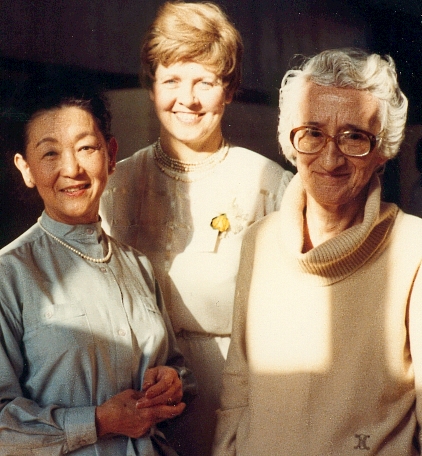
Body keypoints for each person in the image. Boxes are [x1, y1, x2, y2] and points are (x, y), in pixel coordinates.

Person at [99, 2, 293, 455]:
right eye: (171, 80)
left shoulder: (271, 185)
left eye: (205, 81)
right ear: (150, 88)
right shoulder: (113, 184)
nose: (187, 99)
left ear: (229, 90)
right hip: (134, 397)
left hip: (237, 397)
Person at [213, 48, 422, 455]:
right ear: (291, 141)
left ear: (383, 149)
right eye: (312, 132)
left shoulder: (414, 249)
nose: (330, 158)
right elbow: (237, 387)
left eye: (354, 136)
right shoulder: (259, 240)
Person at [0, 81, 196, 455]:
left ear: (111, 154)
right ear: (26, 169)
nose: (71, 168)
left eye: (86, 148)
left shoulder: (138, 266)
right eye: (50, 154)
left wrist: (171, 383)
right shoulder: (8, 275)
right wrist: (99, 421)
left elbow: (178, 370)